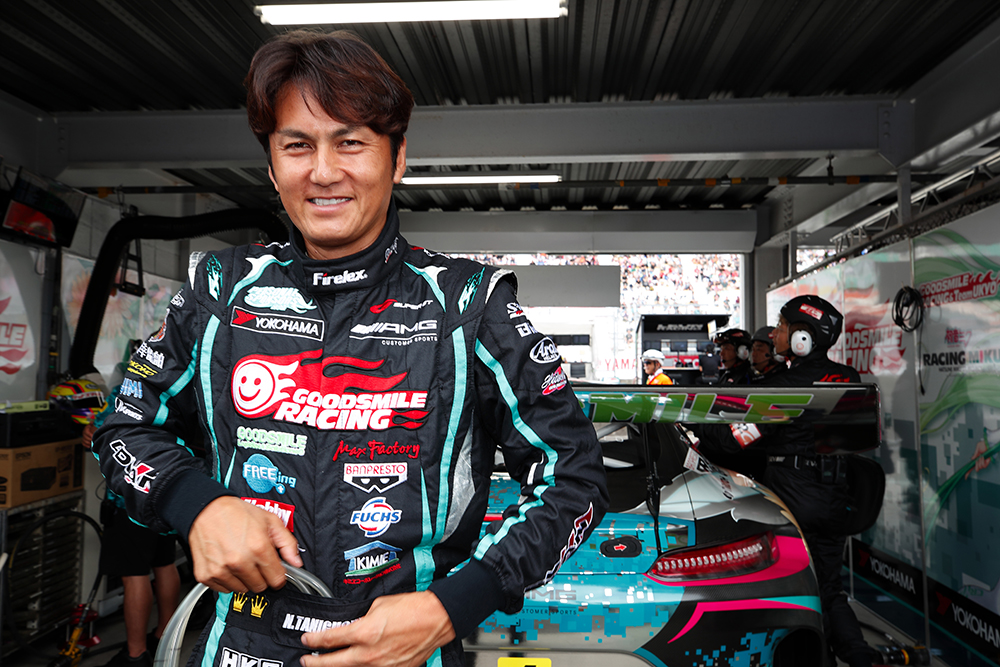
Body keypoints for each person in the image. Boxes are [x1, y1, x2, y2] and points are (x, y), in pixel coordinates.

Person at [93, 30, 608, 667]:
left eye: (351, 142)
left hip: (406, 650)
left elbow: (574, 476)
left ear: (396, 158)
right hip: (243, 647)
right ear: (272, 165)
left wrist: (451, 607)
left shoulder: (469, 305)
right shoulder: (220, 290)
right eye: (297, 145)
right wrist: (197, 507)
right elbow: (123, 427)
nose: (324, 171)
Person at [692, 295, 872, 667]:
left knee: (796, 594)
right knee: (830, 588)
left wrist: (697, 423)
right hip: (836, 497)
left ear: (803, 337)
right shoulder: (848, 378)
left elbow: (732, 441)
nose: (774, 334)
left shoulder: (783, 386)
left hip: (794, 498)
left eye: (781, 327)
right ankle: (859, 658)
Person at [83, 348, 182, 667]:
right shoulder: (179, 387)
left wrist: (89, 432)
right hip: (167, 492)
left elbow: (102, 432)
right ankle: (163, 637)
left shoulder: (129, 387)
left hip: (130, 497)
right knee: (164, 564)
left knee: (134, 574)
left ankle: (136, 654)